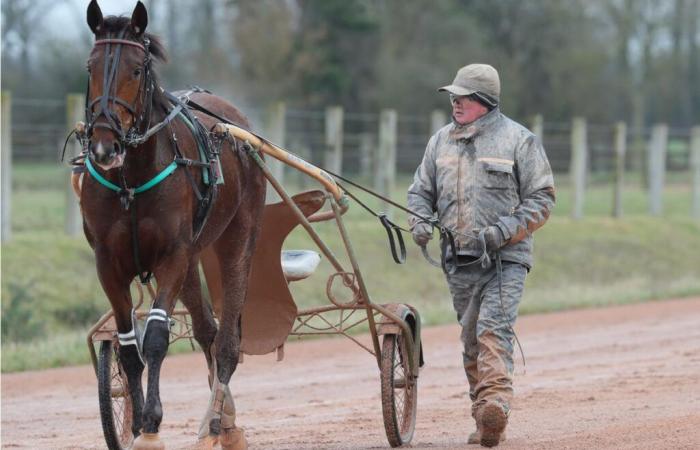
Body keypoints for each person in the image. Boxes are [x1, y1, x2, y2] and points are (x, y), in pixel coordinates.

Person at [407, 63, 555, 447]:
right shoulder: (439, 142)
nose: (456, 103)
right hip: (459, 261)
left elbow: (542, 199)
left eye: (464, 97)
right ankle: (485, 416)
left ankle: (496, 404)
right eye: (454, 96)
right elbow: (420, 192)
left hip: (507, 259)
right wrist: (420, 221)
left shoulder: (519, 141)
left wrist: (501, 232)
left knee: (493, 331)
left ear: (485, 102)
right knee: (472, 339)